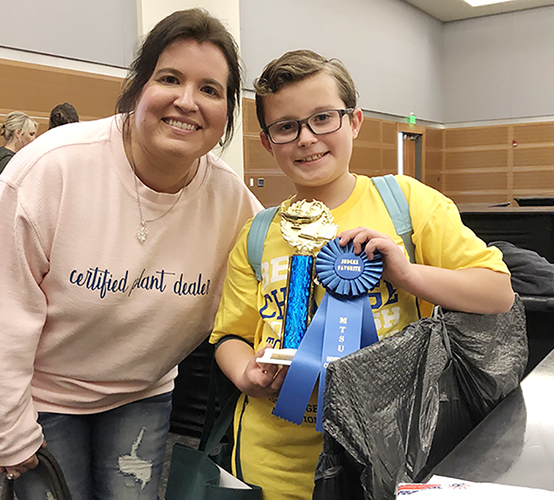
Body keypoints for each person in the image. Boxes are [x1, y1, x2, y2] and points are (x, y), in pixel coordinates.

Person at [0, 8, 261, 500]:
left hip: (142, 393)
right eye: (170, 78)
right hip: (44, 398)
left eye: (209, 89)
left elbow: (275, 277)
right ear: (138, 87)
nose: (187, 101)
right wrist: (4, 429)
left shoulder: (231, 201)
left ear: (226, 110)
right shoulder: (51, 168)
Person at [210, 50, 515, 500]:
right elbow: (229, 337)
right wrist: (244, 375)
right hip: (273, 463)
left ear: (354, 121)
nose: (306, 138)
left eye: (322, 118)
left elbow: (498, 293)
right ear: (268, 141)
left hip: (392, 452)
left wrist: (408, 273)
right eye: (287, 126)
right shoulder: (257, 234)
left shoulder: (407, 204)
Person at [0, 111, 38, 177]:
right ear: (18, 133)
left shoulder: (6, 160)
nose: (34, 139)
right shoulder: (9, 163)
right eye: (31, 134)